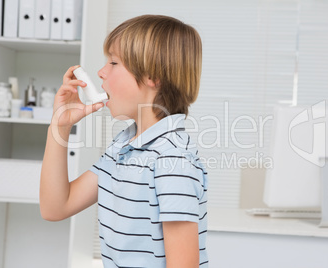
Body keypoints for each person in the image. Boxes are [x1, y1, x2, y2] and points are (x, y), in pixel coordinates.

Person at [40, 15, 208, 268]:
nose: (101, 72)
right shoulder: (123, 147)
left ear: (153, 75)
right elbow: (55, 208)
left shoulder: (173, 161)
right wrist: (60, 126)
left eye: (114, 62)